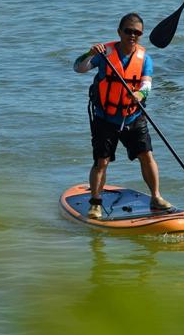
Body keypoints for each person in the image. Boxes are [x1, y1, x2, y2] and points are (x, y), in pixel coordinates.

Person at [73, 12, 171, 220]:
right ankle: (96, 202)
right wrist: (89, 53)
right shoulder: (104, 54)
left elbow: (147, 85)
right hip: (105, 117)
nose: (132, 35)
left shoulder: (145, 59)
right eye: (128, 31)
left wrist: (140, 94)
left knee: (147, 156)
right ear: (119, 32)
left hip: (134, 116)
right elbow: (78, 68)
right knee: (102, 161)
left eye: (137, 33)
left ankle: (156, 196)